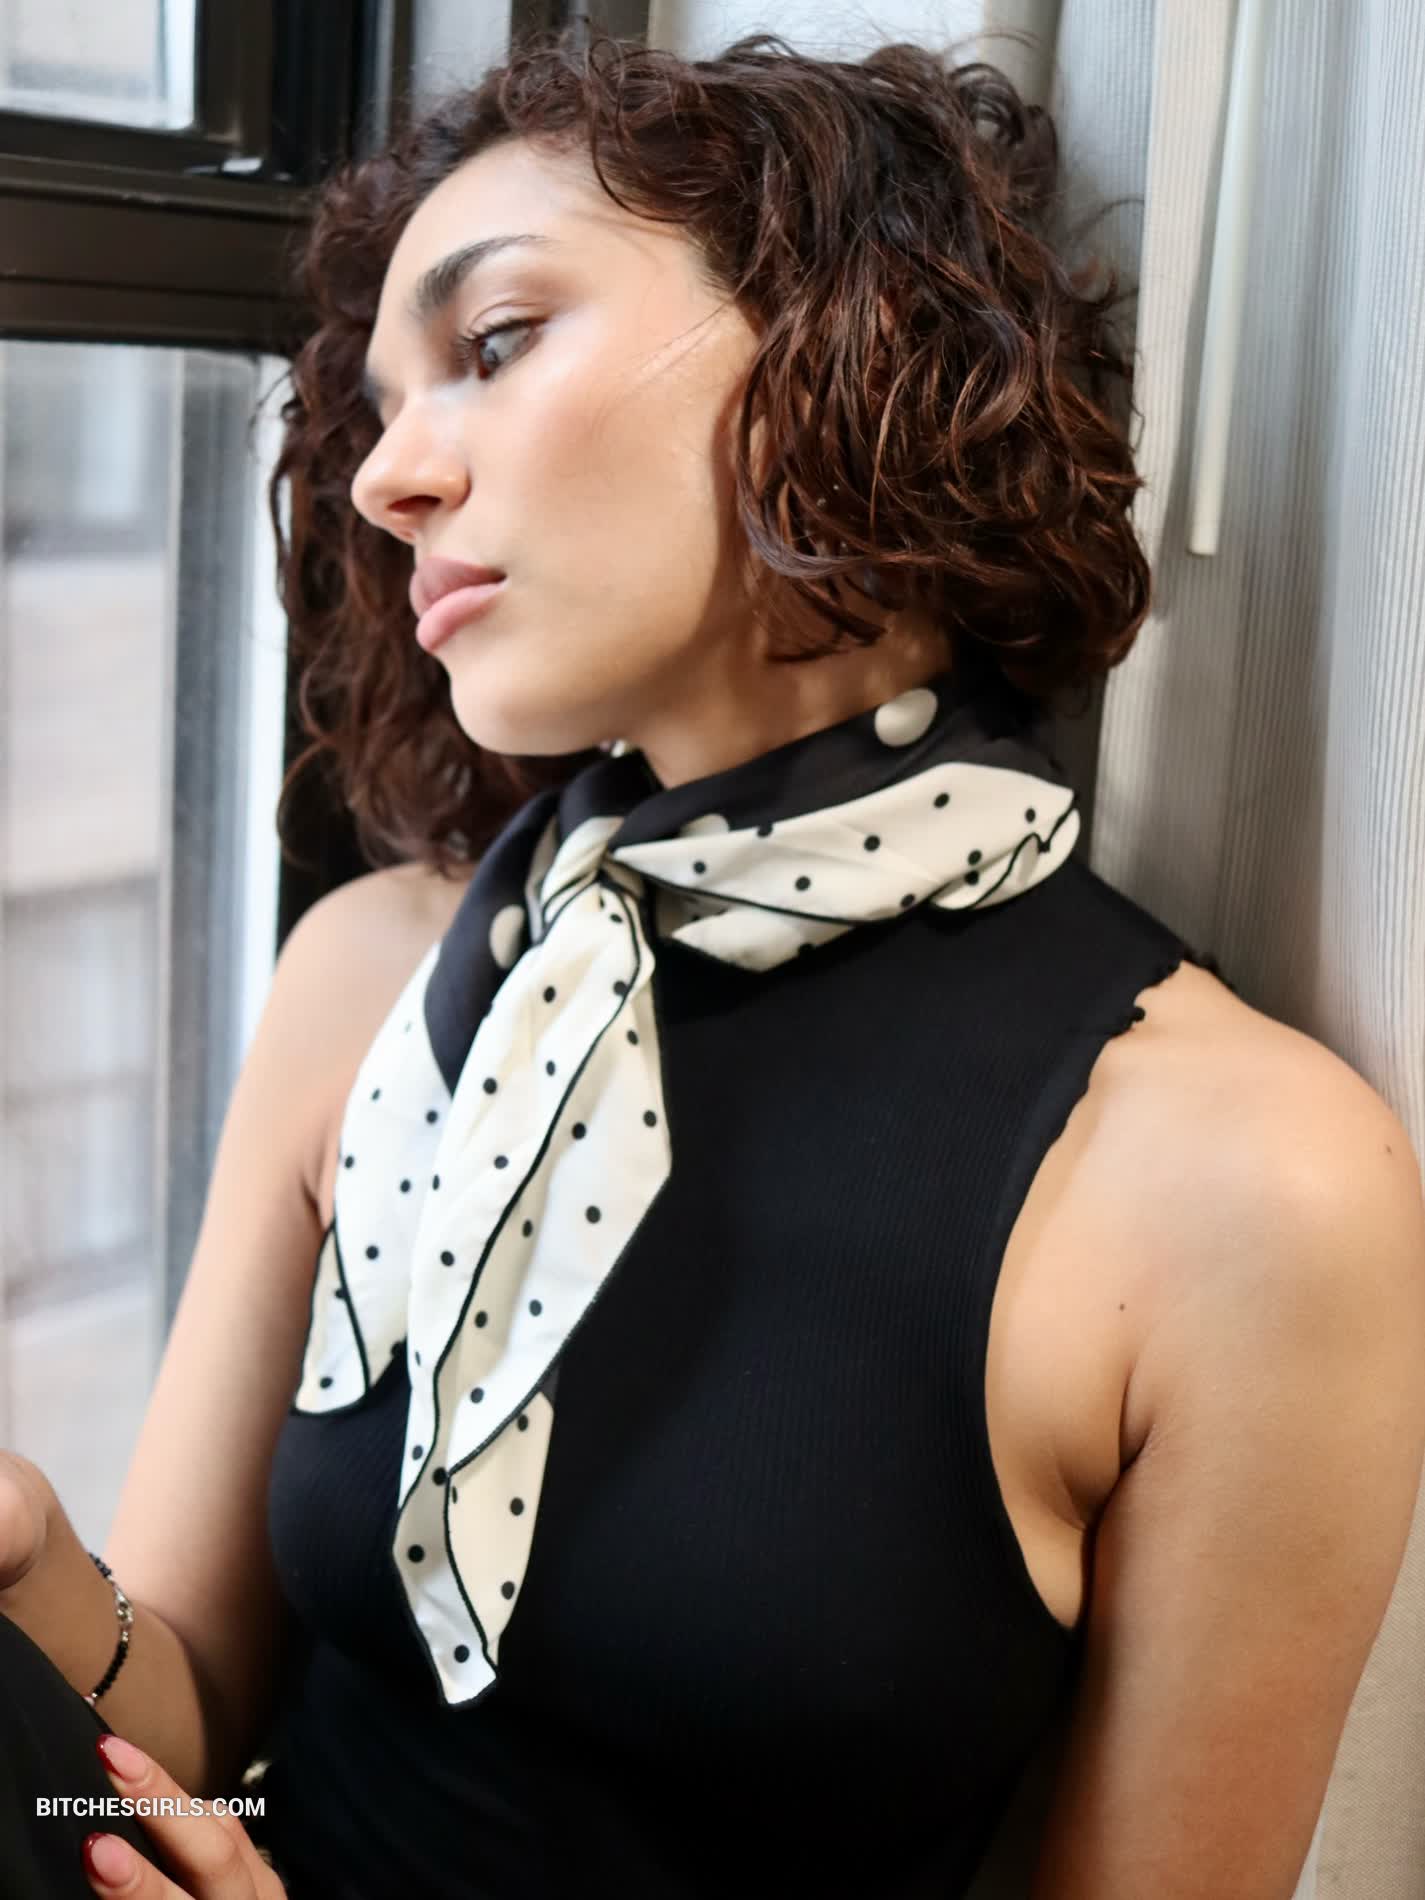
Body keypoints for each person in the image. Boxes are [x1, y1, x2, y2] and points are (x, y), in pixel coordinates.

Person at [4, 25, 1424, 1900]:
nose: (383, 481)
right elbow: (160, 1761)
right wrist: (30, 1565)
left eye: (494, 343)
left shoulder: (1240, 1187)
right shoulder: (374, 980)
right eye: (379, 409)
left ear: (848, 341)